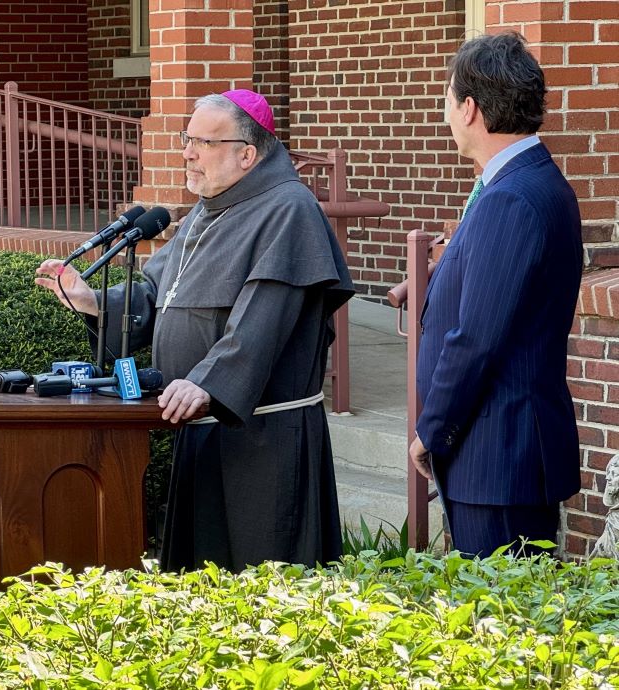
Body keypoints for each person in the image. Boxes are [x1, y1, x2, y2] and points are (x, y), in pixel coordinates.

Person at [36, 89, 353, 572]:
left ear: (246, 154)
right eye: (187, 139)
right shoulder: (207, 210)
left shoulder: (288, 210)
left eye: (202, 142)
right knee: (199, 585)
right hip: (199, 429)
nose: (187, 152)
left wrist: (207, 384)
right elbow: (157, 294)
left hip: (262, 439)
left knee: (262, 590)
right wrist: (93, 301)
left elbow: (260, 322)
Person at [409, 32, 583, 559]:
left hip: (497, 456)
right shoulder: (519, 181)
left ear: (469, 108)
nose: (444, 114)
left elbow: (476, 337)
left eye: (446, 99)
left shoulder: (511, 196)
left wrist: (432, 431)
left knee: (499, 625)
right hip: (498, 454)